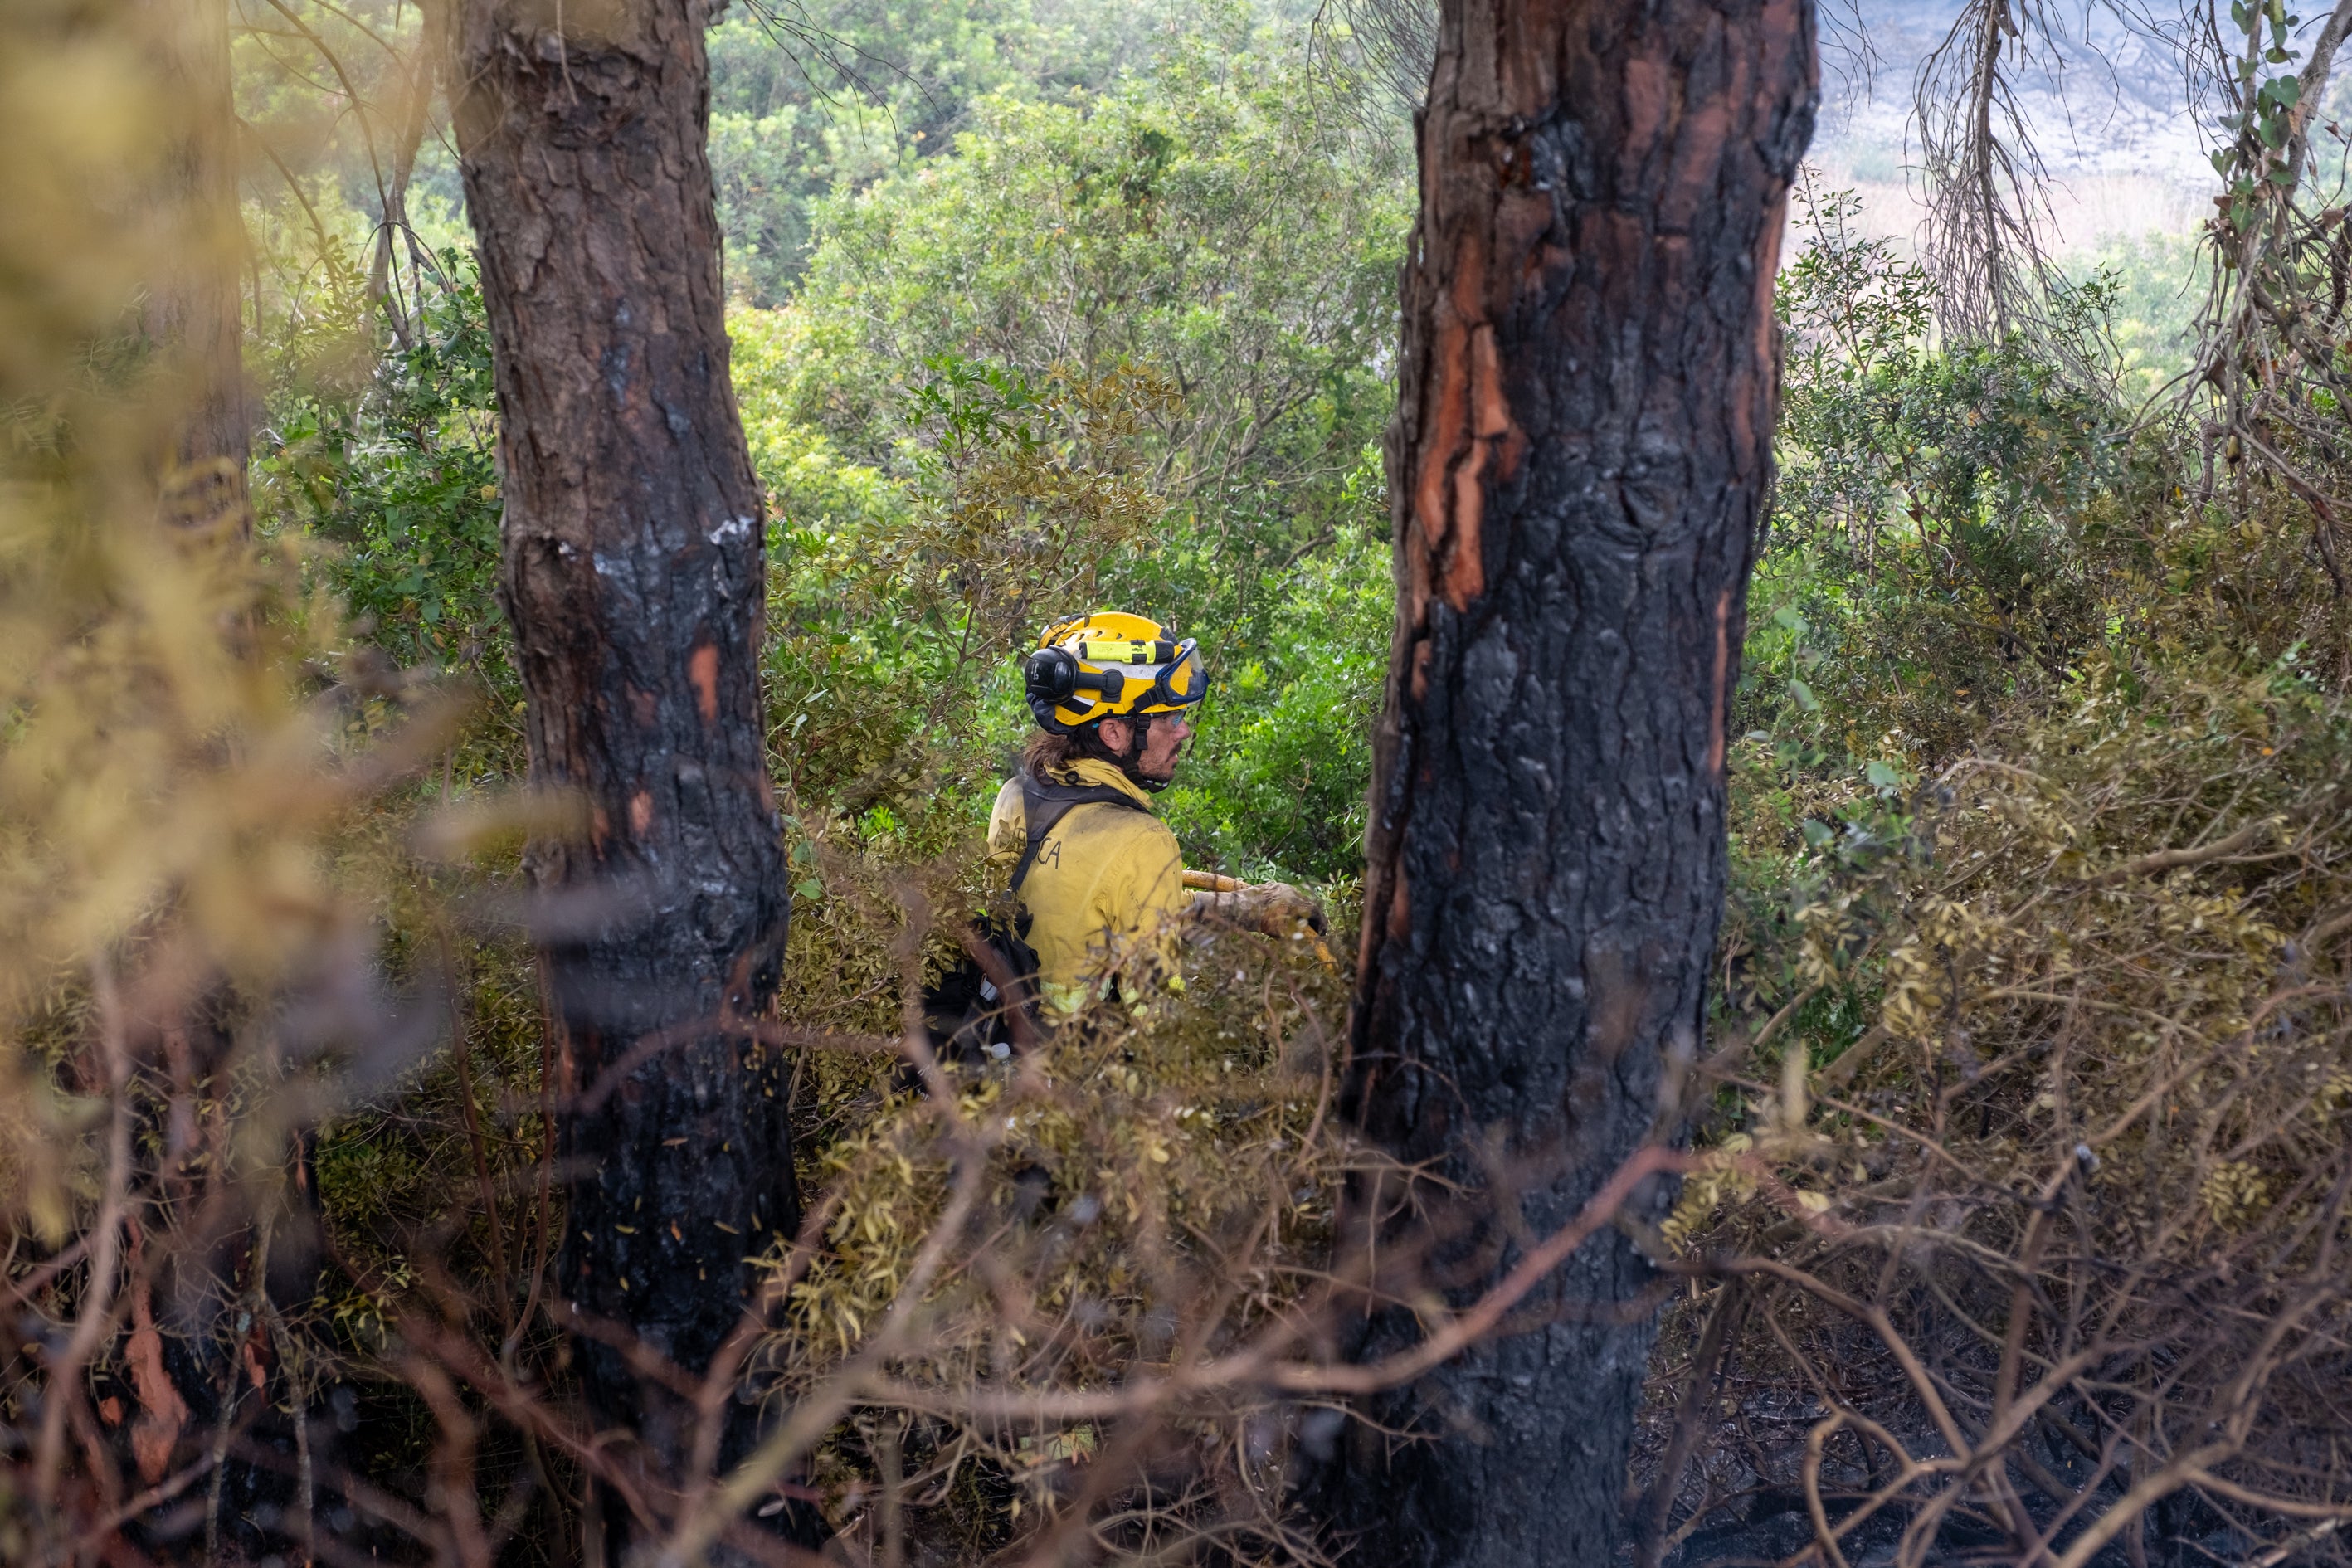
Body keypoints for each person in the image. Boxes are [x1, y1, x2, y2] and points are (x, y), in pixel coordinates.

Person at [988, 611, 1324, 1011]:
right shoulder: (1144, 843)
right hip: (1084, 1051)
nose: (1184, 731)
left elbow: (1099, 906)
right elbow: (1159, 1024)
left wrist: (1250, 906)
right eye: (1171, 716)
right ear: (1114, 732)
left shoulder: (1016, 796)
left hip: (1000, 1036)